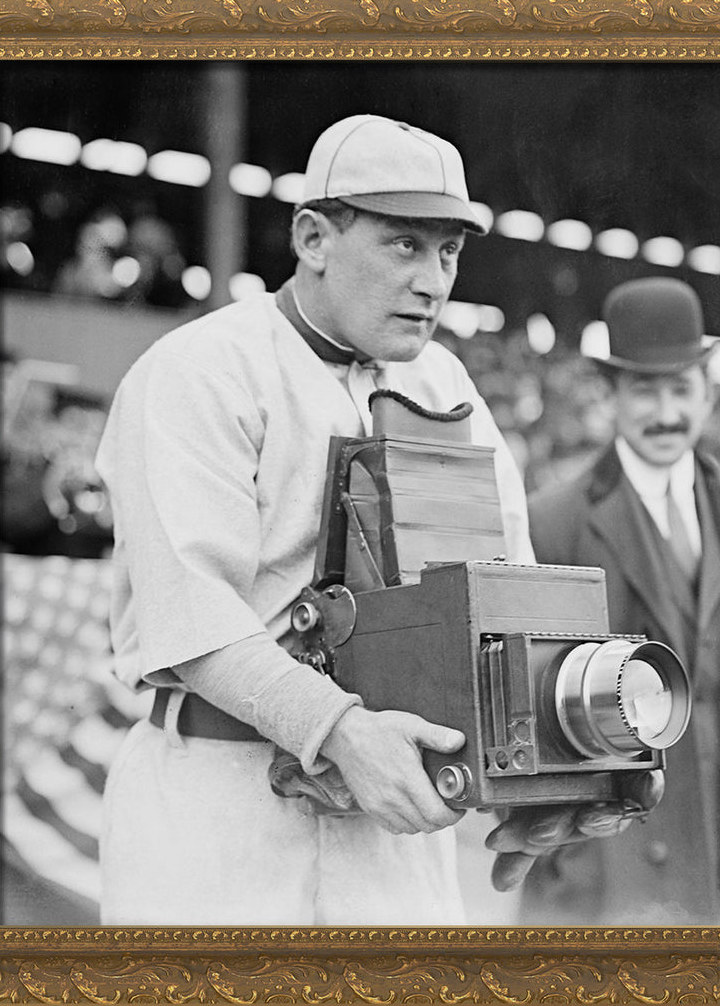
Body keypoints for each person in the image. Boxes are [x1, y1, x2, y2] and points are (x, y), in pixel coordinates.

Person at [94, 115, 655, 927]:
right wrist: (340, 730)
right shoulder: (200, 369)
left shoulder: (443, 382)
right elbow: (190, 618)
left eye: (449, 252)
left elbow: (510, 597)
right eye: (404, 245)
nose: (434, 281)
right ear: (313, 238)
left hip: (392, 826)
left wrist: (556, 772)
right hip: (220, 801)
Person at [520, 277, 720, 926]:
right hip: (614, 883)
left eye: (680, 389)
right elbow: (524, 709)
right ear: (610, 395)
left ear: (708, 395)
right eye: (644, 390)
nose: (665, 412)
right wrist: (571, 852)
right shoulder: (551, 525)